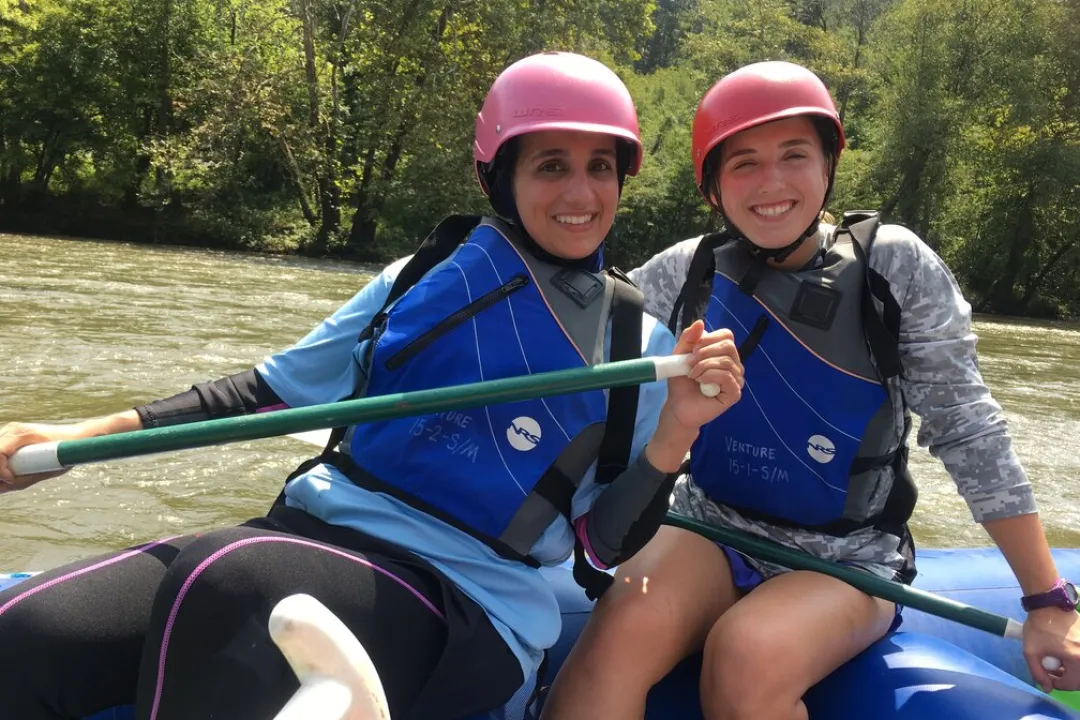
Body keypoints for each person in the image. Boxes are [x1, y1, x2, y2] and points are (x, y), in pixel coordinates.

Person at [0, 52, 746, 720]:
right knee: (25, 635)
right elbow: (262, 394)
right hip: (306, 534)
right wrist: (66, 442)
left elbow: (600, 548)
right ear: (501, 176)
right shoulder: (416, 281)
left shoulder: (640, 350)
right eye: (551, 164)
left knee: (233, 582)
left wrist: (679, 429)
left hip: (471, 605)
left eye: (601, 166)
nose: (581, 191)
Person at [539, 60, 1080, 720]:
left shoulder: (893, 266)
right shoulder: (688, 273)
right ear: (713, 186)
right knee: (619, 627)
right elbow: (574, 355)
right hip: (709, 527)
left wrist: (1046, 600)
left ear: (827, 163)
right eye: (743, 163)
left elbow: (969, 432)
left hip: (850, 559)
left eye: (793, 155)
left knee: (749, 651)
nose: (771, 183)